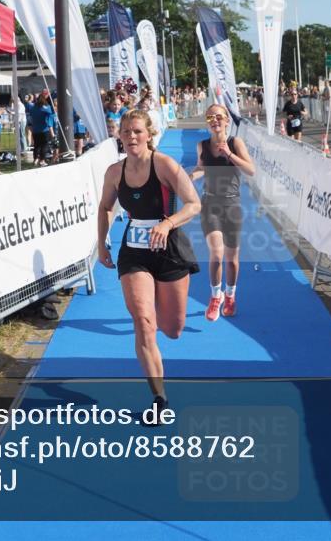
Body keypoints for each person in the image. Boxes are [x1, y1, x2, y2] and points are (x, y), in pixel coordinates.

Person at [96, 109, 201, 417]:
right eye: (126, 131)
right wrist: (102, 242)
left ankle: (160, 303)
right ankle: (159, 398)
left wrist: (168, 223)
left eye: (137, 131)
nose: (131, 137)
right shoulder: (114, 172)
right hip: (135, 252)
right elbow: (105, 207)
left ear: (149, 134)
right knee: (143, 321)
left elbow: (194, 204)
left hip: (169, 250)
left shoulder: (165, 165)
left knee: (172, 329)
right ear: (120, 136)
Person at [190, 104, 255, 322]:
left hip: (232, 205)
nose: (214, 120)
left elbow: (250, 170)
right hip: (210, 204)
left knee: (232, 260)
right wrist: (190, 176)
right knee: (216, 255)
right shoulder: (202, 146)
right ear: (207, 122)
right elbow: (200, 167)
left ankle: (230, 295)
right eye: (210, 117)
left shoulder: (235, 143)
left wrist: (230, 155)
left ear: (226, 120)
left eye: (219, 116)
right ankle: (215, 297)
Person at [30, 90, 56, 166]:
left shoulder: (34, 107)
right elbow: (52, 113)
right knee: (44, 145)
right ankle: (42, 160)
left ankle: (35, 159)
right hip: (44, 129)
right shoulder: (47, 108)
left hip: (35, 130)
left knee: (36, 145)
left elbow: (31, 114)